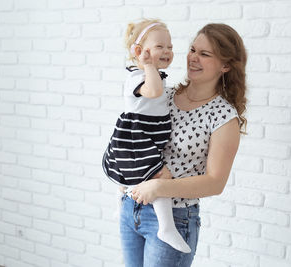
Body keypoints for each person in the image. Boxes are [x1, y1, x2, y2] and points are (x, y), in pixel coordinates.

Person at [120, 23, 248, 267]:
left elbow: (215, 182)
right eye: (192, 49)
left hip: (175, 218)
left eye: (205, 54)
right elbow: (133, 132)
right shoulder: (163, 95)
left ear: (226, 65)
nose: (193, 58)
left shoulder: (223, 116)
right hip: (132, 208)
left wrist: (158, 188)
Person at [102, 19, 191, 253]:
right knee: (159, 175)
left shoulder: (153, 75)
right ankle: (167, 227)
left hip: (144, 137)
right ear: (140, 52)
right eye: (160, 46)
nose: (168, 51)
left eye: (170, 47)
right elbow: (154, 92)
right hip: (135, 138)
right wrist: (149, 67)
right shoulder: (138, 77)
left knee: (130, 177)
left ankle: (119, 204)